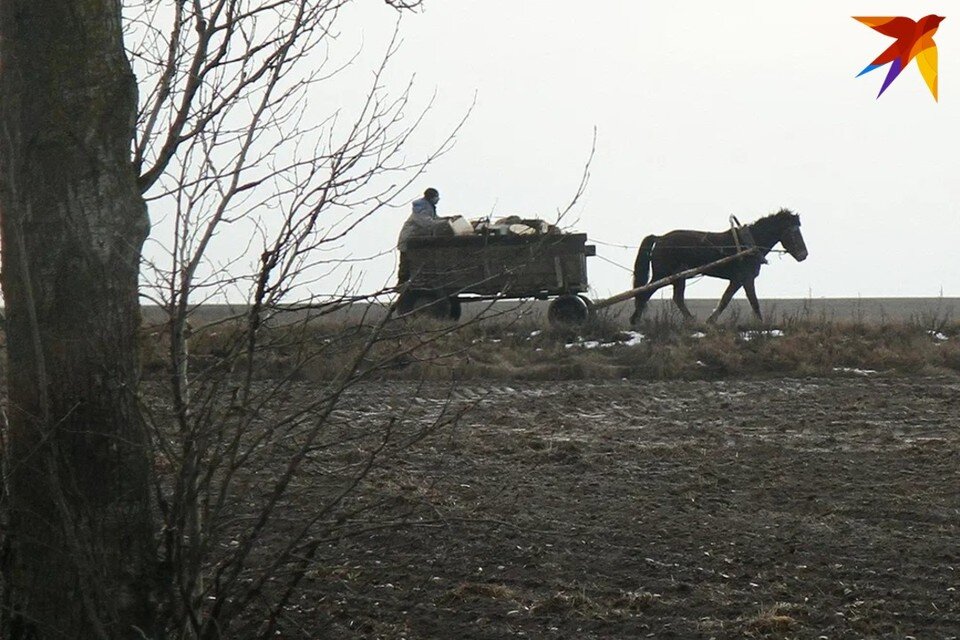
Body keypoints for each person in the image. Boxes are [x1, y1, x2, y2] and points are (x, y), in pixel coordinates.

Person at [397, 188, 448, 284]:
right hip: (409, 240)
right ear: (432, 197)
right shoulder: (420, 209)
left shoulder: (428, 207)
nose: (438, 199)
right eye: (437, 197)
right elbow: (427, 223)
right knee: (406, 264)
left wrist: (447, 219)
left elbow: (435, 218)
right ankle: (401, 284)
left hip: (417, 240)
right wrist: (445, 223)